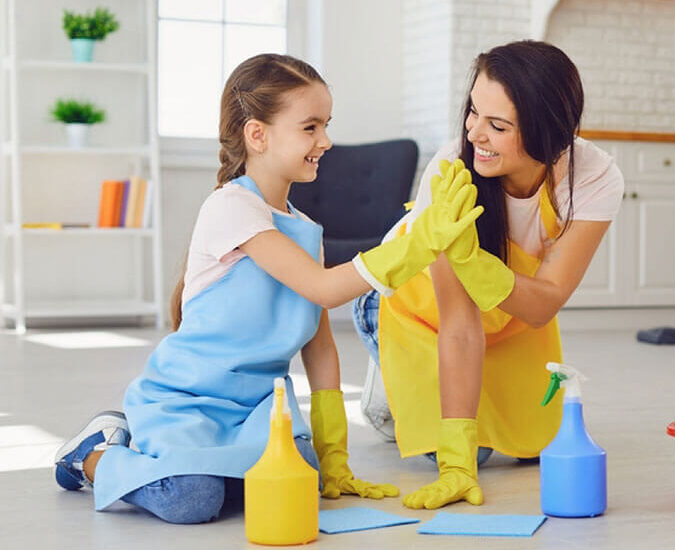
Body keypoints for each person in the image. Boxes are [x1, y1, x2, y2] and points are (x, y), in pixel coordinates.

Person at [53, 53, 483, 524]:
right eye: (310, 127)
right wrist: (416, 244)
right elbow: (324, 289)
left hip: (258, 409)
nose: (325, 141)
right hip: (190, 402)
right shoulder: (232, 208)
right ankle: (94, 453)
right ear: (257, 135)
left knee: (299, 480)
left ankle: (193, 463)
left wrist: (333, 457)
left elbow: (320, 346)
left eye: (326, 125)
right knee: (192, 499)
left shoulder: (306, 230)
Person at [353, 40, 624, 510]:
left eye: (497, 126)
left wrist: (477, 265)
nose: (475, 133)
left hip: (507, 316)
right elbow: (458, 323)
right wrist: (457, 462)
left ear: (548, 134)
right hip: (414, 310)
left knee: (535, 444)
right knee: (472, 451)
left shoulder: (594, 177)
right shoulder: (451, 170)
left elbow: (544, 303)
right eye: (473, 113)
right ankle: (384, 397)